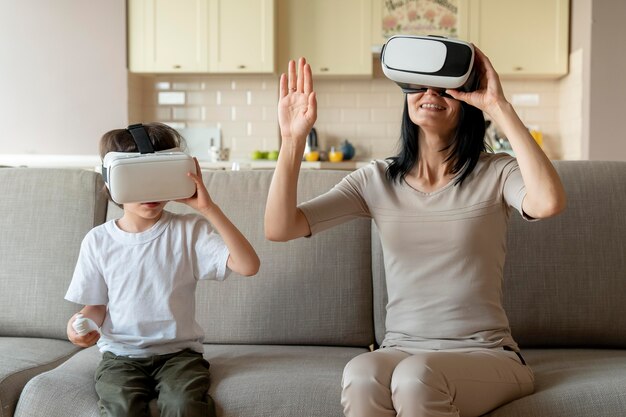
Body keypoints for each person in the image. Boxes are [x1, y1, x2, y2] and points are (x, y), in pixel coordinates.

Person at [265, 49, 566, 417]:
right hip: (401, 348)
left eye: (444, 88)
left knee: (415, 378)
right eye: (419, 85)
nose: (430, 94)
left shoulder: (497, 173)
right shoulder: (375, 180)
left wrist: (498, 105)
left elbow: (548, 202)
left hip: (485, 353)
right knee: (361, 373)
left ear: (465, 99)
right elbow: (280, 227)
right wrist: (293, 139)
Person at [65, 122, 260, 417]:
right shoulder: (98, 241)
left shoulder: (189, 230)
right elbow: (96, 307)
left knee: (184, 406)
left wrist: (208, 209)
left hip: (179, 356)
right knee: (120, 410)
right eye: (137, 178)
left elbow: (248, 265)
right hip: (120, 357)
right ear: (111, 181)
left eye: (159, 176)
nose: (150, 191)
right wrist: (81, 325)